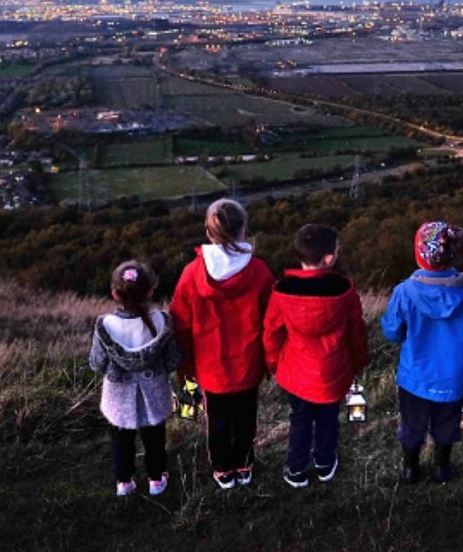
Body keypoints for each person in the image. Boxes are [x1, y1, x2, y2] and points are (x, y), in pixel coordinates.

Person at [170, 198, 274, 490]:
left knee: (216, 421)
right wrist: (270, 360)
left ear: (208, 231)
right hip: (248, 364)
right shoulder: (260, 271)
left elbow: (180, 323)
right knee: (245, 419)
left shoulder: (192, 273)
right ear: (243, 230)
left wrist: (186, 365)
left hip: (210, 367)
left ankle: (222, 469)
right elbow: (271, 320)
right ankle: (243, 463)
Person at [263, 224, 369, 488]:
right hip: (333, 371)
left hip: (296, 373)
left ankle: (296, 469)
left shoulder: (283, 290)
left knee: (299, 420)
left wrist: (274, 363)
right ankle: (324, 463)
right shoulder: (344, 290)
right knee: (328, 419)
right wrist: (358, 362)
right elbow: (356, 331)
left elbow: (272, 332)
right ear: (330, 258)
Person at [380, 221, 463, 484]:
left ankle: (410, 469)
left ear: (419, 253)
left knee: (412, 425)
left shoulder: (404, 291)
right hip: (453, 376)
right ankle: (443, 468)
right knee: (447, 425)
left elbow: (392, 332)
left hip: (415, 377)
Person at [89, 260, 180, 497]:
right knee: (155, 441)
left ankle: (124, 482)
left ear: (115, 294)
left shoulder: (105, 325)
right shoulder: (162, 321)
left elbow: (97, 363)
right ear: (151, 291)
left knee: (121, 442)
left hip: (118, 396)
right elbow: (172, 361)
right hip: (155, 392)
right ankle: (157, 480)